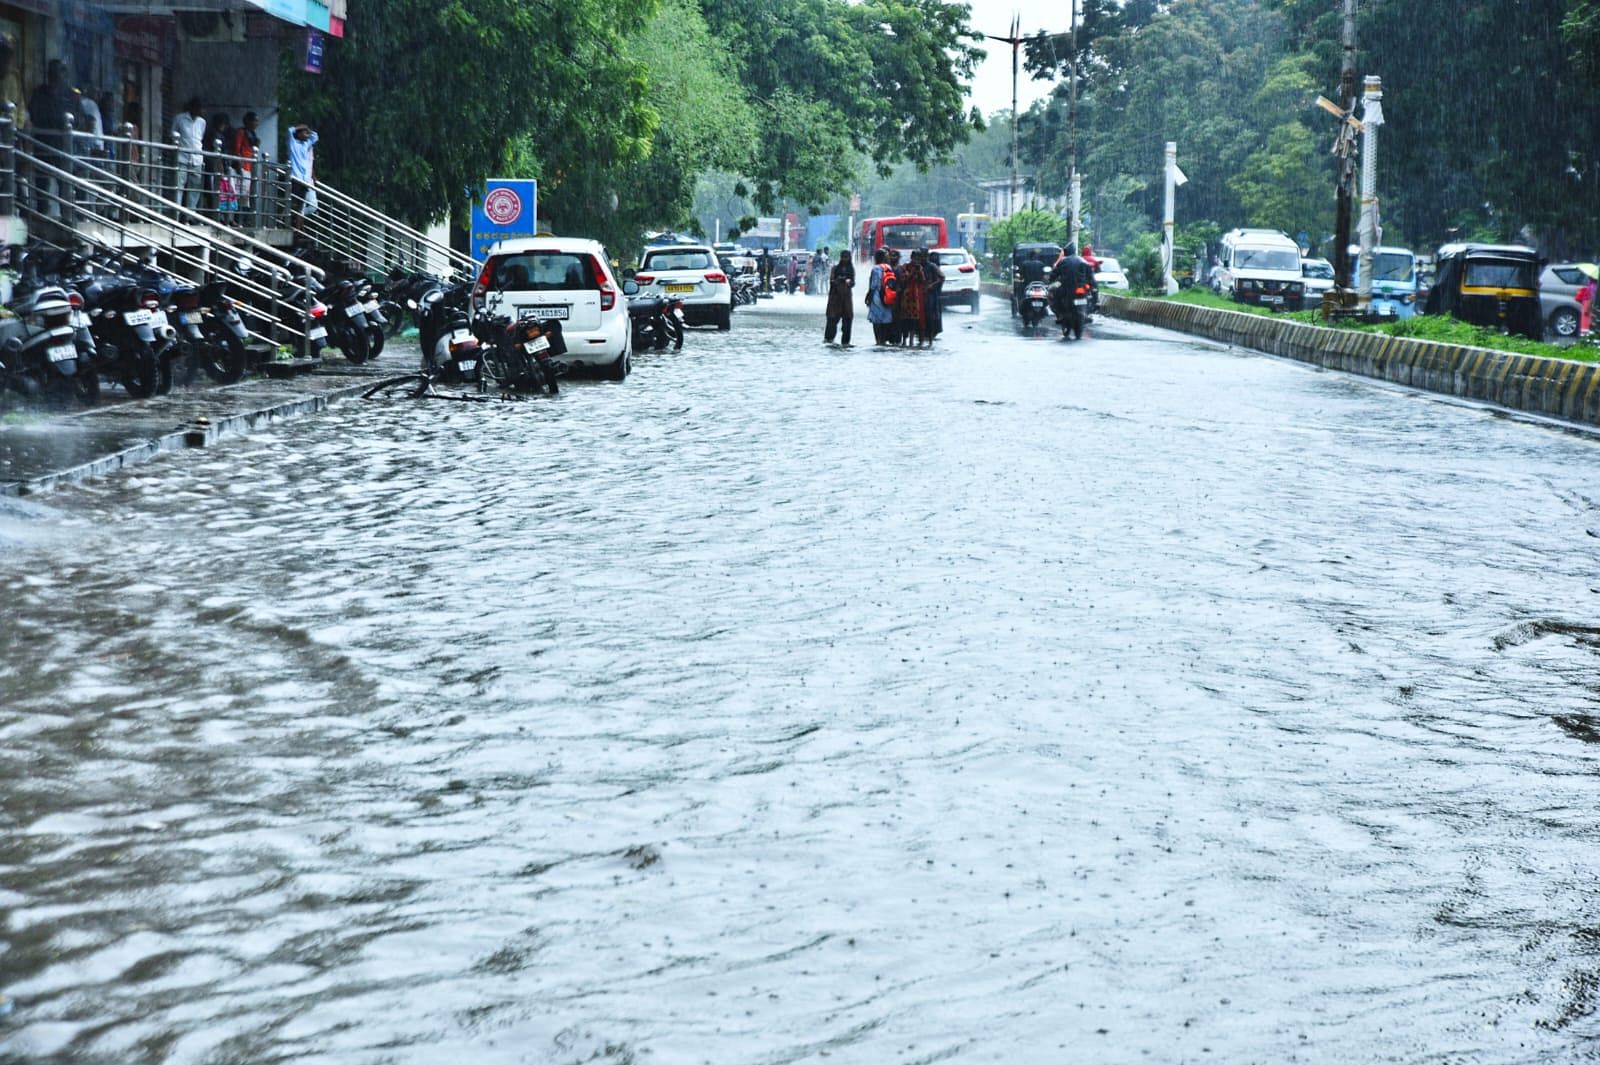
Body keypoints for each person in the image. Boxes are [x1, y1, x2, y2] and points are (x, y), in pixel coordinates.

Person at [1050, 248, 1096, 340]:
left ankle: (1060, 315)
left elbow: (1054, 275)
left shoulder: (1063, 262)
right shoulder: (1083, 261)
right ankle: (1089, 312)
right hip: (1081, 289)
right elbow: (1091, 278)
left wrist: (1052, 279)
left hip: (1067, 288)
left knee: (1055, 296)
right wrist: (1091, 286)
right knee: (1091, 295)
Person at [172, 97, 206, 211]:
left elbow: (200, 138)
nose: (202, 111)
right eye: (200, 109)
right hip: (182, 157)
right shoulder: (180, 119)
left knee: (195, 187)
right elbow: (173, 135)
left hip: (197, 158)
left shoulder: (202, 122)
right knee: (179, 186)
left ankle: (190, 214)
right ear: (193, 108)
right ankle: (176, 212)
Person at [288, 122, 318, 231]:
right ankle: (294, 225)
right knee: (295, 203)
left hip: (304, 179)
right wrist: (299, 128)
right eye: (304, 133)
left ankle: (299, 228)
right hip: (296, 178)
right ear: (299, 133)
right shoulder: (293, 144)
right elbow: (290, 130)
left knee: (301, 205)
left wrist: (307, 129)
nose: (307, 134)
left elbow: (315, 137)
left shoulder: (305, 145)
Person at [896, 249, 928, 347]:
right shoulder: (904, 267)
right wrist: (913, 272)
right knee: (905, 320)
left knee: (914, 321)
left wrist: (919, 271)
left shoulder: (920, 268)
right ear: (911, 258)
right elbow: (903, 280)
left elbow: (923, 281)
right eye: (915, 258)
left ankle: (911, 341)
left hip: (916, 297)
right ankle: (904, 340)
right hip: (906, 297)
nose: (917, 261)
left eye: (918, 259)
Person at [232, 112, 261, 219]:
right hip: (242, 165)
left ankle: (242, 218)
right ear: (248, 121)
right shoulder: (241, 132)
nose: (256, 123)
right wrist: (239, 163)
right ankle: (236, 218)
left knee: (245, 195)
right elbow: (237, 148)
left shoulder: (252, 133)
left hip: (249, 166)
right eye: (254, 120)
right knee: (239, 193)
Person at [865, 248, 896, 345]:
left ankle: (878, 341)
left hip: (877, 296)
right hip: (887, 295)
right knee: (885, 319)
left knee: (876, 320)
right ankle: (883, 340)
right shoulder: (888, 267)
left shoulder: (876, 268)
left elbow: (873, 285)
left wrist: (868, 297)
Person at [824, 250, 854, 346]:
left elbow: (853, 282)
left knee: (847, 321)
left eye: (846, 257)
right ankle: (829, 340)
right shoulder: (835, 268)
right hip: (835, 298)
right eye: (843, 257)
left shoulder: (851, 269)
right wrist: (839, 280)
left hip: (846, 299)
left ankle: (845, 343)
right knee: (832, 320)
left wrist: (848, 282)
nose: (844, 259)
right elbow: (832, 282)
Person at [922, 249, 945, 343]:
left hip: (931, 294)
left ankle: (931, 336)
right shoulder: (918, 266)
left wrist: (932, 285)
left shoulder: (932, 266)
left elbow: (942, 277)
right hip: (920, 294)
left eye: (923, 256)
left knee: (931, 314)